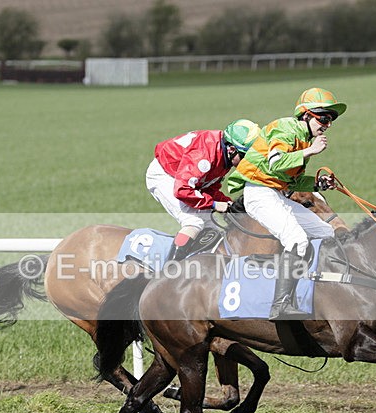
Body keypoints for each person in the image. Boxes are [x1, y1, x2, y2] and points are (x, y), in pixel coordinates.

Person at [226, 87, 347, 319]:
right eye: (323, 118)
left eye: (331, 120)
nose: (327, 124)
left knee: (325, 232)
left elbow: (290, 180)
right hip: (259, 194)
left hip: (276, 194)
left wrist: (318, 184)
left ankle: (271, 266)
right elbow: (275, 163)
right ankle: (280, 304)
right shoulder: (285, 127)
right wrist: (311, 151)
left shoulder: (303, 138)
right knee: (297, 239)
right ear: (306, 115)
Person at [146, 119, 261, 260]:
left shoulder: (223, 155)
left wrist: (227, 203)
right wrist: (214, 204)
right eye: (245, 157)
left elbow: (208, 187)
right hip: (165, 175)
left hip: (183, 179)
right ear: (231, 149)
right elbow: (183, 190)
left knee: (213, 229)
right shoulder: (205, 156)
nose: (247, 162)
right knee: (194, 222)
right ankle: (170, 271)